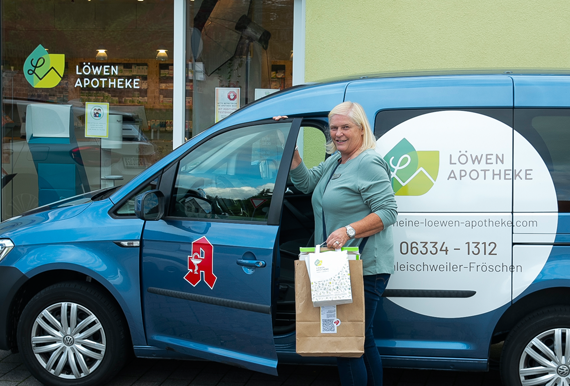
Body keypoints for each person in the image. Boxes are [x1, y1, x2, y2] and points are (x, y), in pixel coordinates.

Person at [274, 101, 397, 386]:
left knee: (346, 344)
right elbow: (305, 184)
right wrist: (289, 143)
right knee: (359, 341)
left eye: (345, 127)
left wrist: (348, 231)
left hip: (364, 268)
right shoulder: (336, 160)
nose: (338, 133)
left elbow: (388, 211)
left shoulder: (368, 162)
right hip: (337, 266)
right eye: (334, 127)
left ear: (361, 129)